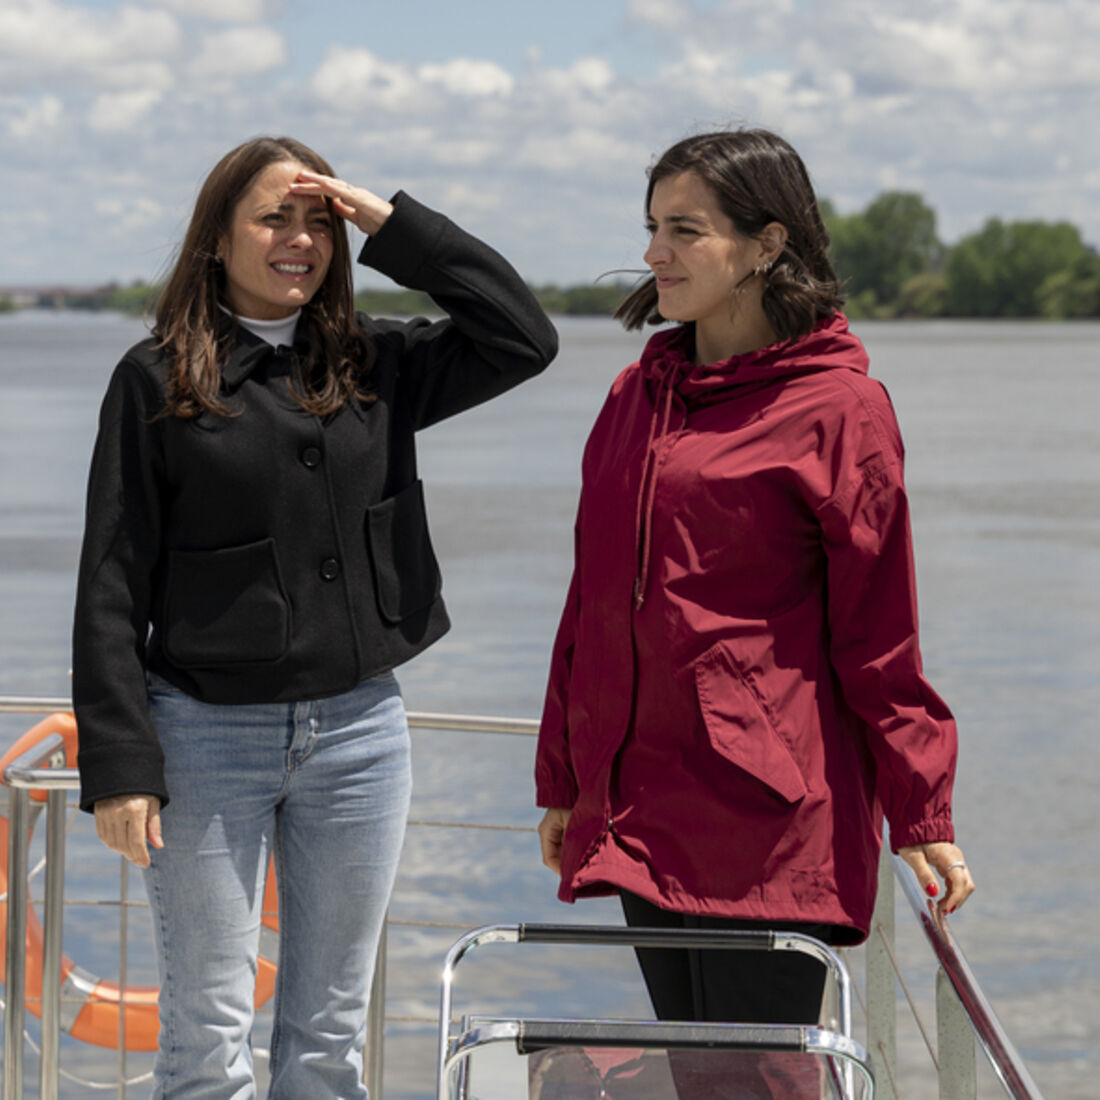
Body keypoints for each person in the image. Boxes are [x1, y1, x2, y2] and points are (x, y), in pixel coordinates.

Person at [73, 135, 557, 1099]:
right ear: (216, 237)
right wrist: (123, 766)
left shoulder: (376, 360)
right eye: (272, 217)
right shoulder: (155, 378)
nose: (300, 239)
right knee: (209, 1034)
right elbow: (112, 580)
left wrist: (391, 224)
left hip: (361, 736)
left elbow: (522, 335)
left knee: (329, 1034)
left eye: (316, 222)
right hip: (206, 736)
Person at [535, 128, 974, 1055]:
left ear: (768, 244)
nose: (654, 252)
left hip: (764, 821)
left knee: (759, 1080)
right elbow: (591, 605)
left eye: (685, 229)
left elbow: (878, 636)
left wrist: (922, 809)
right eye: (652, 226)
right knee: (696, 1073)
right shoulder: (634, 396)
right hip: (639, 806)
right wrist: (566, 779)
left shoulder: (841, 411)